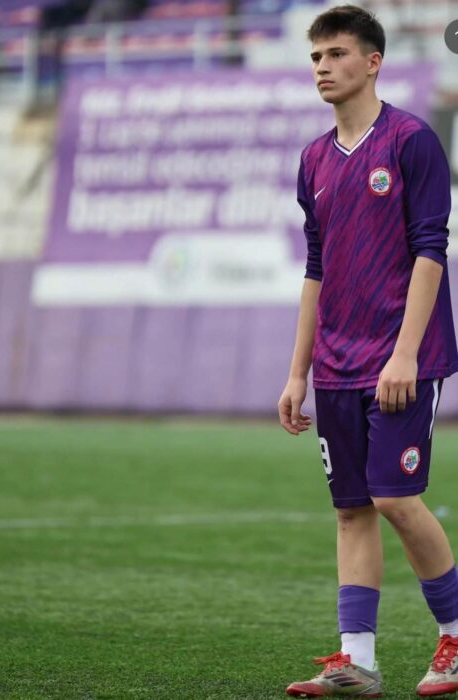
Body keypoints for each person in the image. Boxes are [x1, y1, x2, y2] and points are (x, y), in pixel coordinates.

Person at [278, 4, 458, 698]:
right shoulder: (313, 159)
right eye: (316, 57)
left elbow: (430, 249)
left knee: (395, 498)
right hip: (336, 364)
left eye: (337, 54)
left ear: (373, 61)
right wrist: (298, 373)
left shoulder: (411, 141)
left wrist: (405, 354)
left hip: (403, 356)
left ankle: (454, 636)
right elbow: (315, 269)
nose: (323, 67)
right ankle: (357, 663)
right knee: (351, 507)